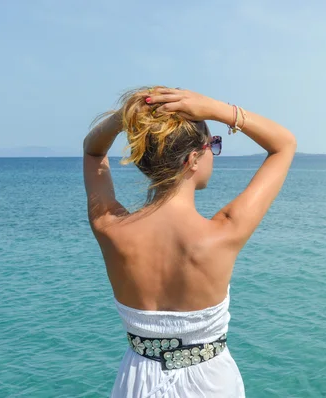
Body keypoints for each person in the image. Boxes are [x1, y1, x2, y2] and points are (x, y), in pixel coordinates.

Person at [82, 86, 297, 397]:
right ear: (194, 158)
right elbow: (284, 145)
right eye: (214, 145)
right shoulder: (224, 232)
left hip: (138, 379)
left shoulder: (110, 227)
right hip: (210, 383)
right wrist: (215, 108)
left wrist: (124, 117)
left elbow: (93, 151)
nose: (214, 153)